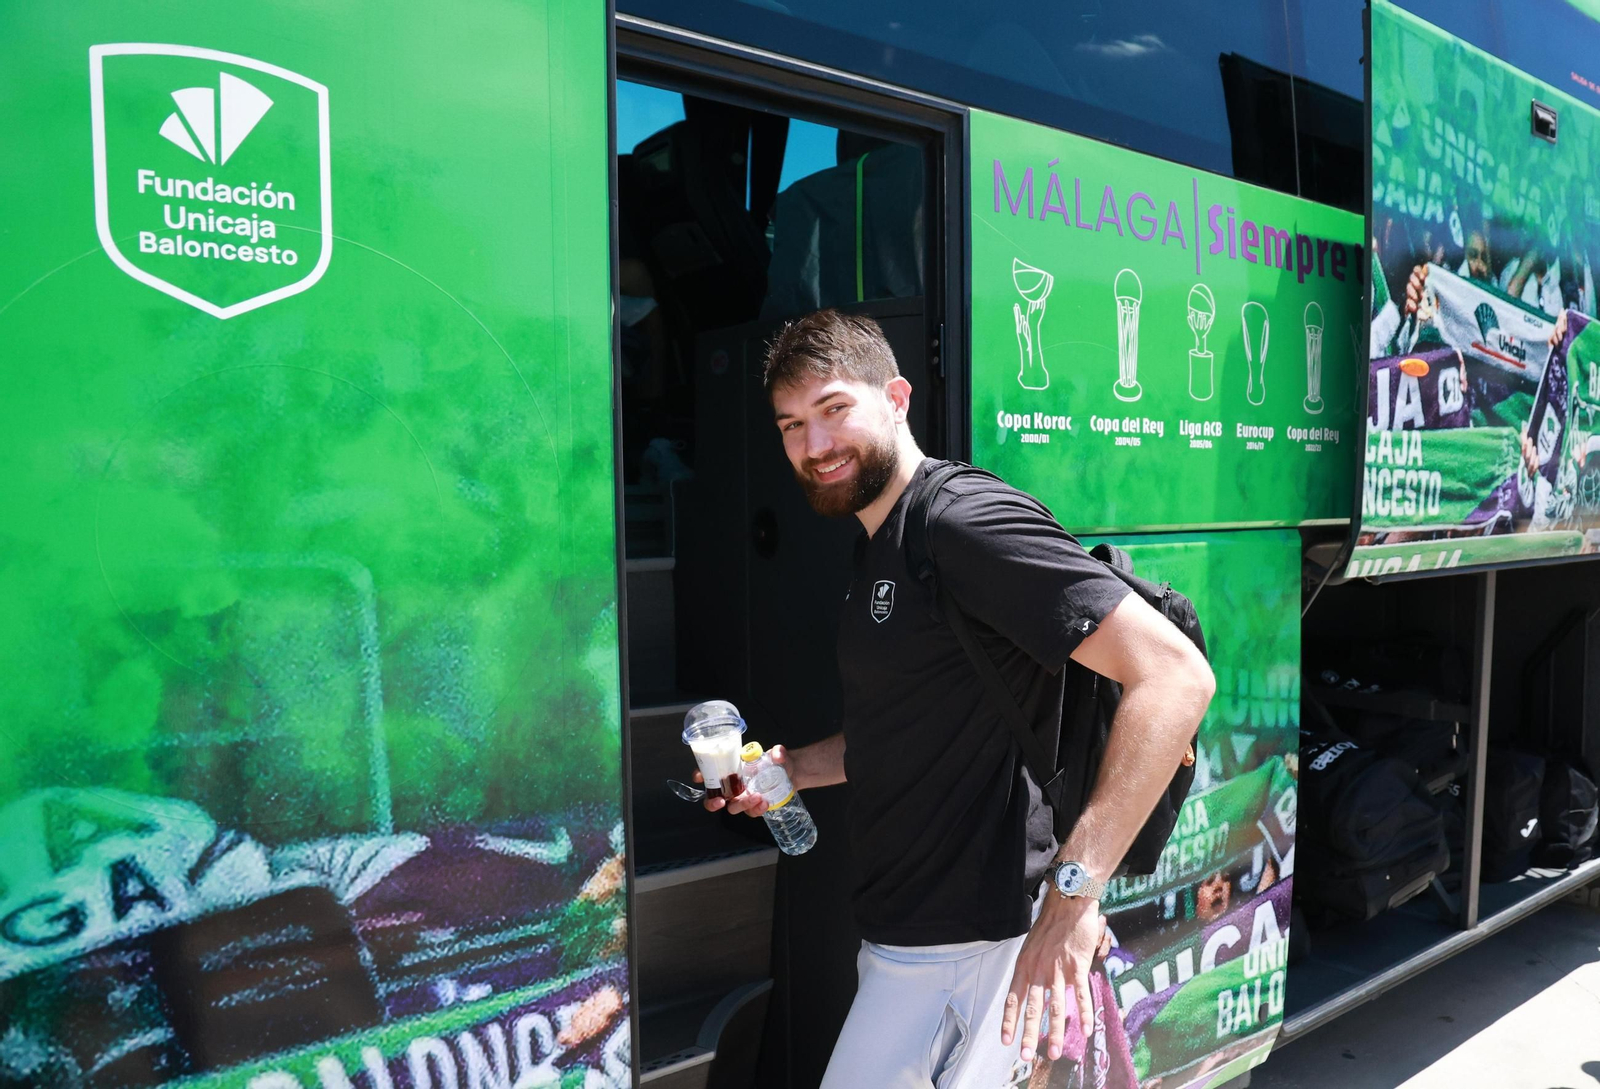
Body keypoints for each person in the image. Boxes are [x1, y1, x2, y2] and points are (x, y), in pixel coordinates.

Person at [697, 309, 1215, 1087]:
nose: (814, 445)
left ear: (897, 397)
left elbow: (1176, 675)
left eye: (835, 409)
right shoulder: (883, 541)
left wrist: (1073, 900)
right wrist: (794, 767)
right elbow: (912, 723)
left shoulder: (962, 520)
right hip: (905, 945)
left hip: (974, 951)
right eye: (791, 424)